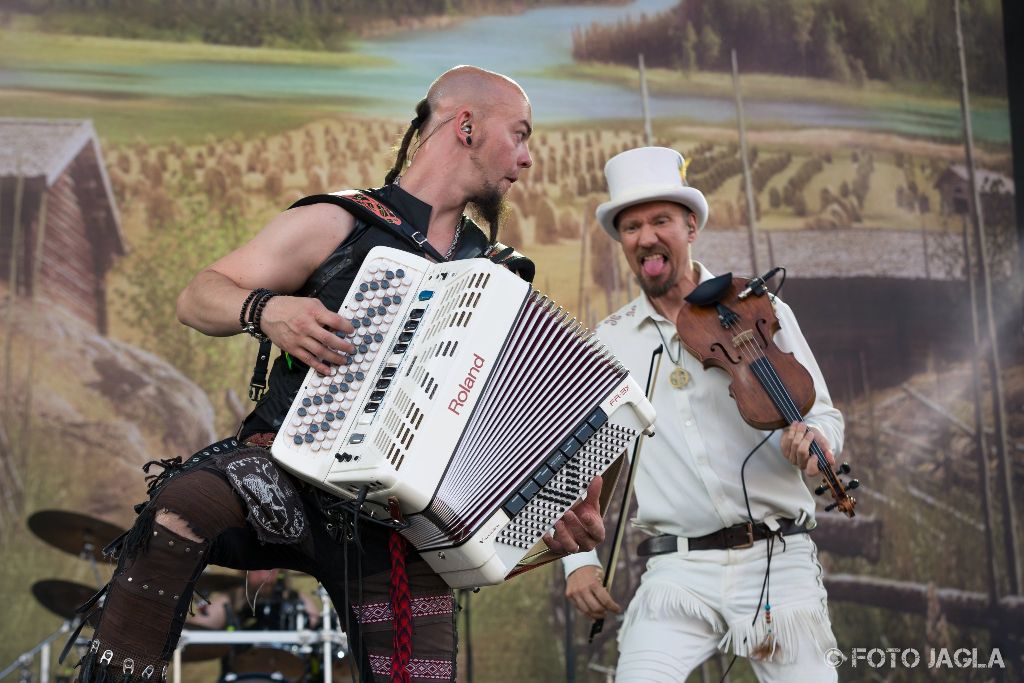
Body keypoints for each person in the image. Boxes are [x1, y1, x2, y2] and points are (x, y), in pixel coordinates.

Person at [70, 65, 605, 683]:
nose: (527, 157)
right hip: (288, 471)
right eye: (519, 134)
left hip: (397, 521)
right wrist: (267, 310)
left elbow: (506, 416)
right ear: (465, 126)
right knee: (185, 501)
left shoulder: (496, 273)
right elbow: (197, 297)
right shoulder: (343, 221)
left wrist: (547, 508)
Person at [563, 147, 844, 682]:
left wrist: (814, 450)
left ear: (690, 226)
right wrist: (578, 561)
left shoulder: (759, 310)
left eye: (661, 220)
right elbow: (580, 464)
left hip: (776, 557)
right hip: (677, 570)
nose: (646, 237)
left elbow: (824, 417)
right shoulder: (609, 341)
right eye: (631, 226)